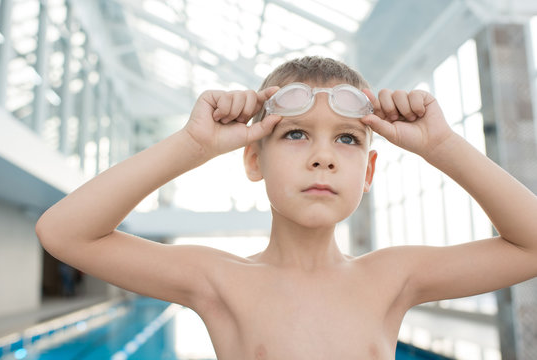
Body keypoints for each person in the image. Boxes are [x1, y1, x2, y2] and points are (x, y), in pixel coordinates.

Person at [36, 56, 537, 359]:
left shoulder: (392, 277)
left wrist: (442, 144)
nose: (322, 156)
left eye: (346, 139)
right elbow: (64, 233)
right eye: (296, 134)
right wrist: (193, 144)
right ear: (253, 159)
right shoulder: (219, 279)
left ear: (367, 173)